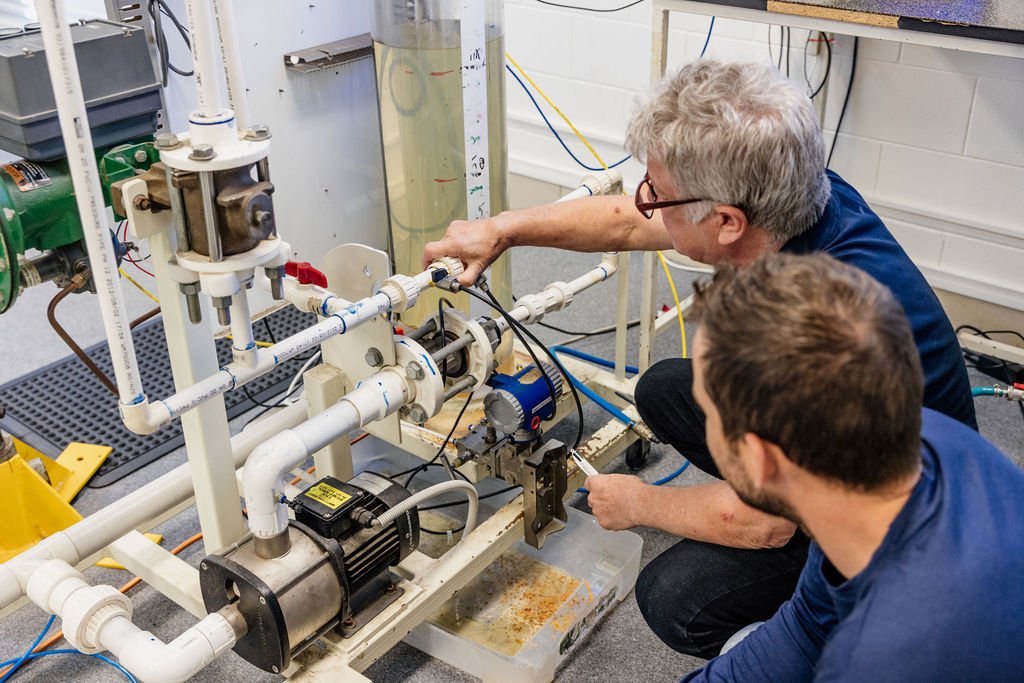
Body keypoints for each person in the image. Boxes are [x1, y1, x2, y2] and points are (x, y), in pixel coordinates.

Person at [423, 60, 976, 657]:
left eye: (656, 193)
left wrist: (639, 503)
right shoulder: (795, 191)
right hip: (907, 460)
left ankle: (835, 644)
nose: (644, 201)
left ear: (727, 222)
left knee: (675, 598)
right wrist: (501, 230)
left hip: (904, 535)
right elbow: (626, 224)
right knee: (664, 387)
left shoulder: (809, 339)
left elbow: (768, 523)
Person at [666, 253, 1024, 682]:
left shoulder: (885, 660)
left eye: (708, 414)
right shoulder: (913, 445)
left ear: (760, 459)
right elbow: (808, 626)